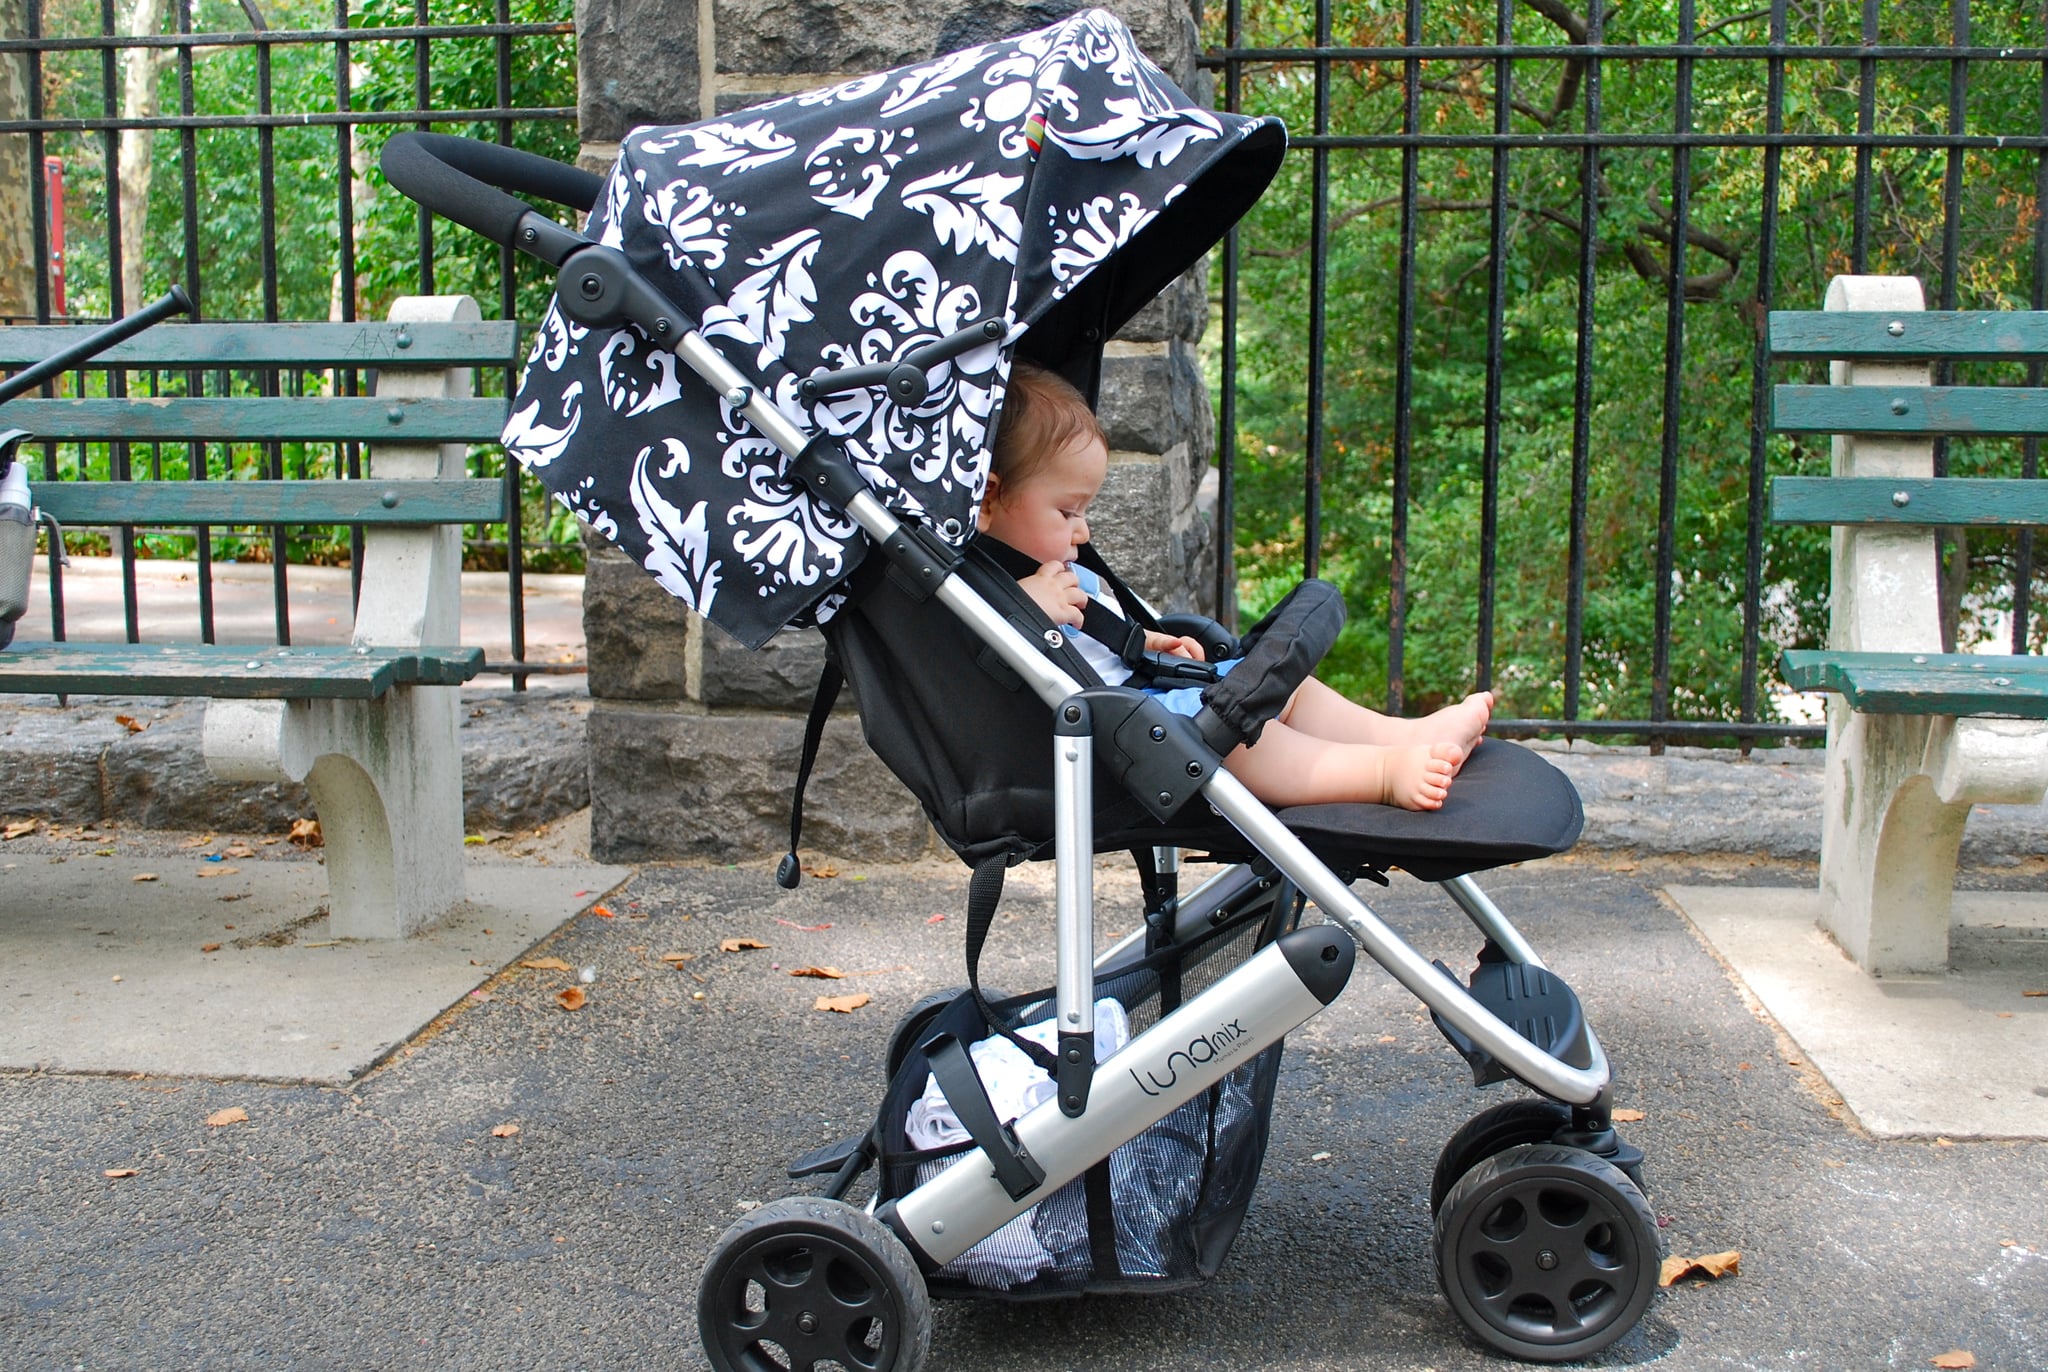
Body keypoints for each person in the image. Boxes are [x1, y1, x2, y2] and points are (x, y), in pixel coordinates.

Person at [975, 360, 1492, 811]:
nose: (1083, 532)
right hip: (1119, 740)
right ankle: (1381, 774)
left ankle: (1409, 734)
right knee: (1238, 737)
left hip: (1150, 698)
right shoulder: (987, 599)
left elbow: (1104, 639)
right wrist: (1026, 612)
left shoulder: (1065, 570)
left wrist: (1151, 642)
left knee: (1279, 687)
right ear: (987, 501)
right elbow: (989, 685)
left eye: (1085, 511)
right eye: (1067, 511)